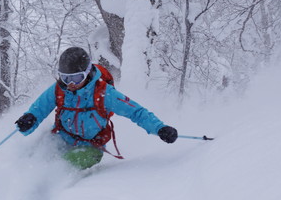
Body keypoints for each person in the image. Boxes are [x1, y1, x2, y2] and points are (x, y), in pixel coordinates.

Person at [15, 47, 178, 169]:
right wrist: (29, 120)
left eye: (76, 78)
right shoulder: (60, 89)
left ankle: (46, 188)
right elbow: (39, 109)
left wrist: (160, 128)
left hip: (91, 146)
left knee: (60, 165)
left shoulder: (105, 93)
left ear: (87, 73)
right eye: (65, 78)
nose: (70, 84)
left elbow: (136, 112)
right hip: (61, 137)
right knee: (33, 158)